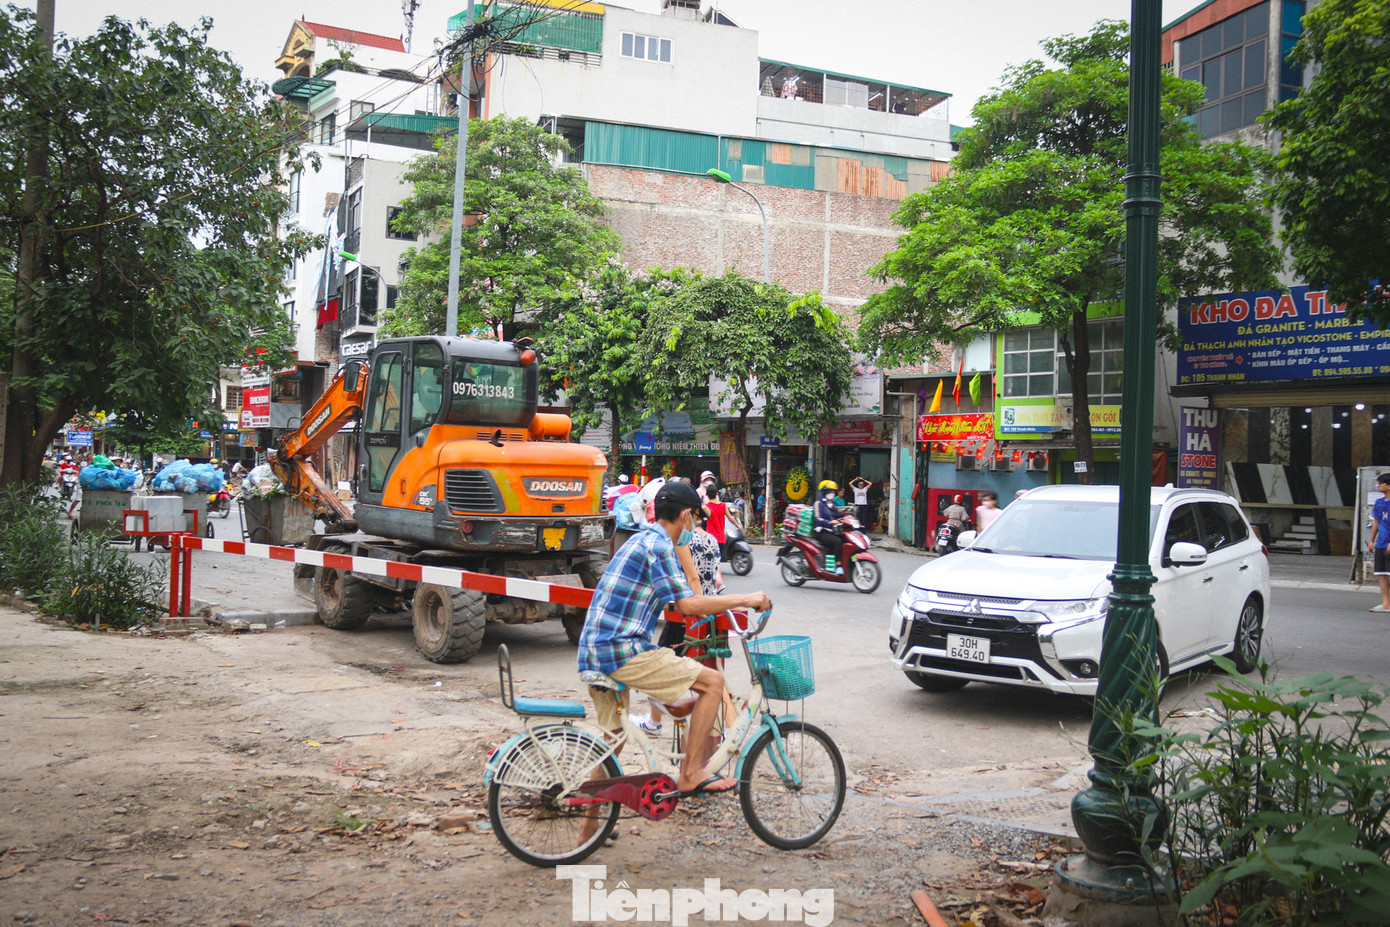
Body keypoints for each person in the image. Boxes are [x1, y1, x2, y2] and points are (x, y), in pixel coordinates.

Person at [578, 480, 770, 799]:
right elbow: (689, 605)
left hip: (595, 650)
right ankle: (691, 774)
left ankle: (588, 821)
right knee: (713, 682)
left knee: (613, 740)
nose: (695, 525)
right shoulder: (660, 546)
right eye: (695, 517)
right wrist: (745, 599)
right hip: (621, 650)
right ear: (684, 516)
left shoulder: (641, 539)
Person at [813, 480, 845, 572]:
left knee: (846, 539)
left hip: (832, 531)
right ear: (824, 492)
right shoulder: (818, 504)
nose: (832, 494)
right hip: (821, 532)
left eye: (833, 492)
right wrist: (830, 522)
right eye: (830, 492)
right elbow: (818, 518)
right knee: (837, 542)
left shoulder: (832, 504)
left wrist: (843, 514)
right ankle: (838, 565)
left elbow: (837, 515)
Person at [1370, 473, 1390, 612]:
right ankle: (1385, 604)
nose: (1378, 486)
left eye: (1380, 483)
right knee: (1381, 574)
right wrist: (1372, 541)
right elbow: (1376, 522)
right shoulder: (1379, 502)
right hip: (1381, 543)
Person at [703, 483, 727, 549]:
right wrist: (738, 526)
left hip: (710, 538)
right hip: (721, 539)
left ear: (706, 494)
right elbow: (731, 518)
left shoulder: (706, 507)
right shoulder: (723, 505)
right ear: (717, 494)